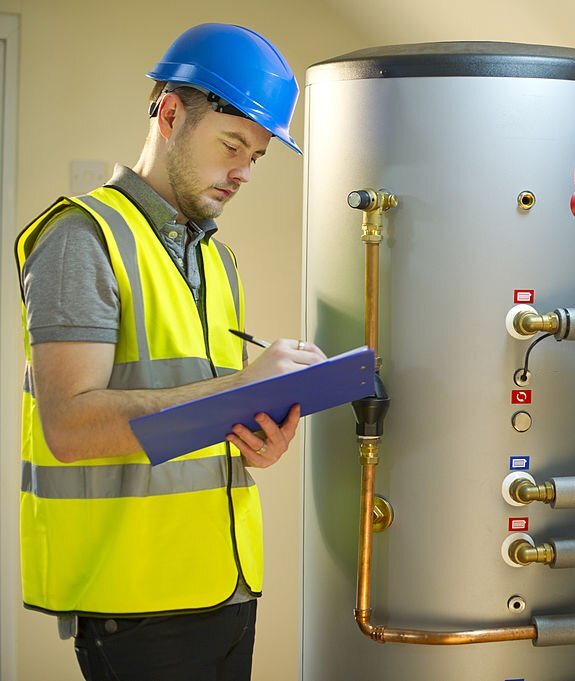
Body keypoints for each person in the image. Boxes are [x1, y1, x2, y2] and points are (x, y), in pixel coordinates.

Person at [15, 23, 323, 681]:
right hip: (137, 608)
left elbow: (190, 409)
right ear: (171, 113)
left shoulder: (216, 257)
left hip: (226, 591)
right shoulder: (82, 237)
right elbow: (68, 426)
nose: (243, 172)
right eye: (233, 145)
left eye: (257, 157)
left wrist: (254, 433)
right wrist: (239, 391)